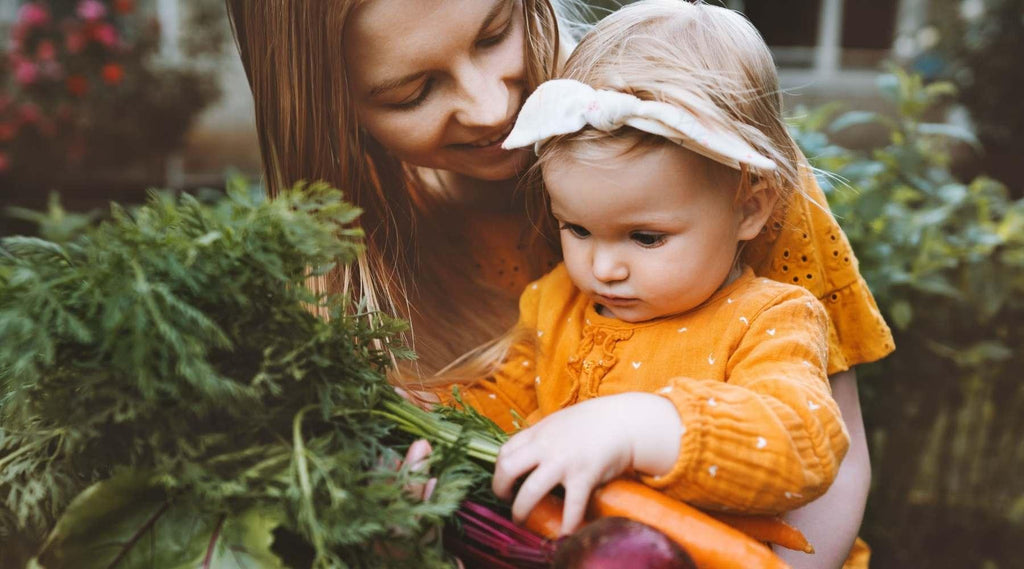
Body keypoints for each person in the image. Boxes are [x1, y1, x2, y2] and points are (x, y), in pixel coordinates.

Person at [224, 1, 893, 567]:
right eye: (413, 91)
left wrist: (645, 424)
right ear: (328, 103)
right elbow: (501, 422)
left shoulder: (709, 146)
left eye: (493, 33)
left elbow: (820, 447)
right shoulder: (544, 303)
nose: (491, 107)